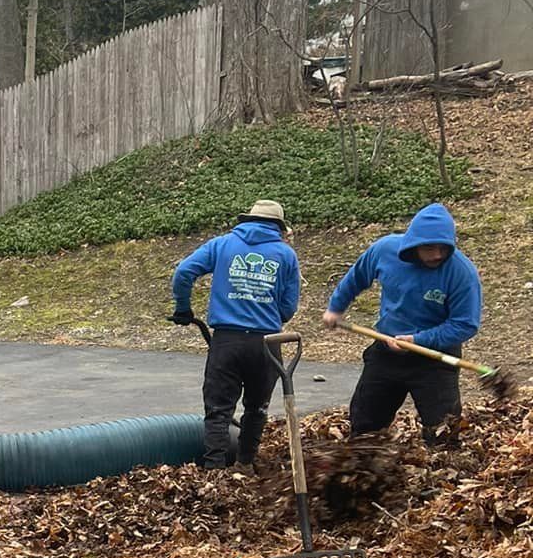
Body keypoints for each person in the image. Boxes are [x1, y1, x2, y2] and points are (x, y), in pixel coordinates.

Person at [322, 202, 481, 443]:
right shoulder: (385, 250)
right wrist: (336, 308)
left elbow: (465, 324)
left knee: (443, 430)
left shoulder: (461, 273)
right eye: (429, 248)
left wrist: (419, 340)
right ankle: (367, 466)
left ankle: (439, 472)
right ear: (413, 244)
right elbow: (356, 278)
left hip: (434, 357)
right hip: (386, 349)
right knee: (365, 423)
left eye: (443, 248)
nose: (437, 255)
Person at [170, 199, 300, 469]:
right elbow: (288, 308)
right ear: (279, 226)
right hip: (266, 344)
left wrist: (183, 309)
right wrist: (267, 309)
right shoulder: (285, 255)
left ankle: (214, 471)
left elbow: (183, 273)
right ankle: (244, 464)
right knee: (256, 408)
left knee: (218, 409)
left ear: (248, 220)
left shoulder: (222, 244)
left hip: (227, 341)